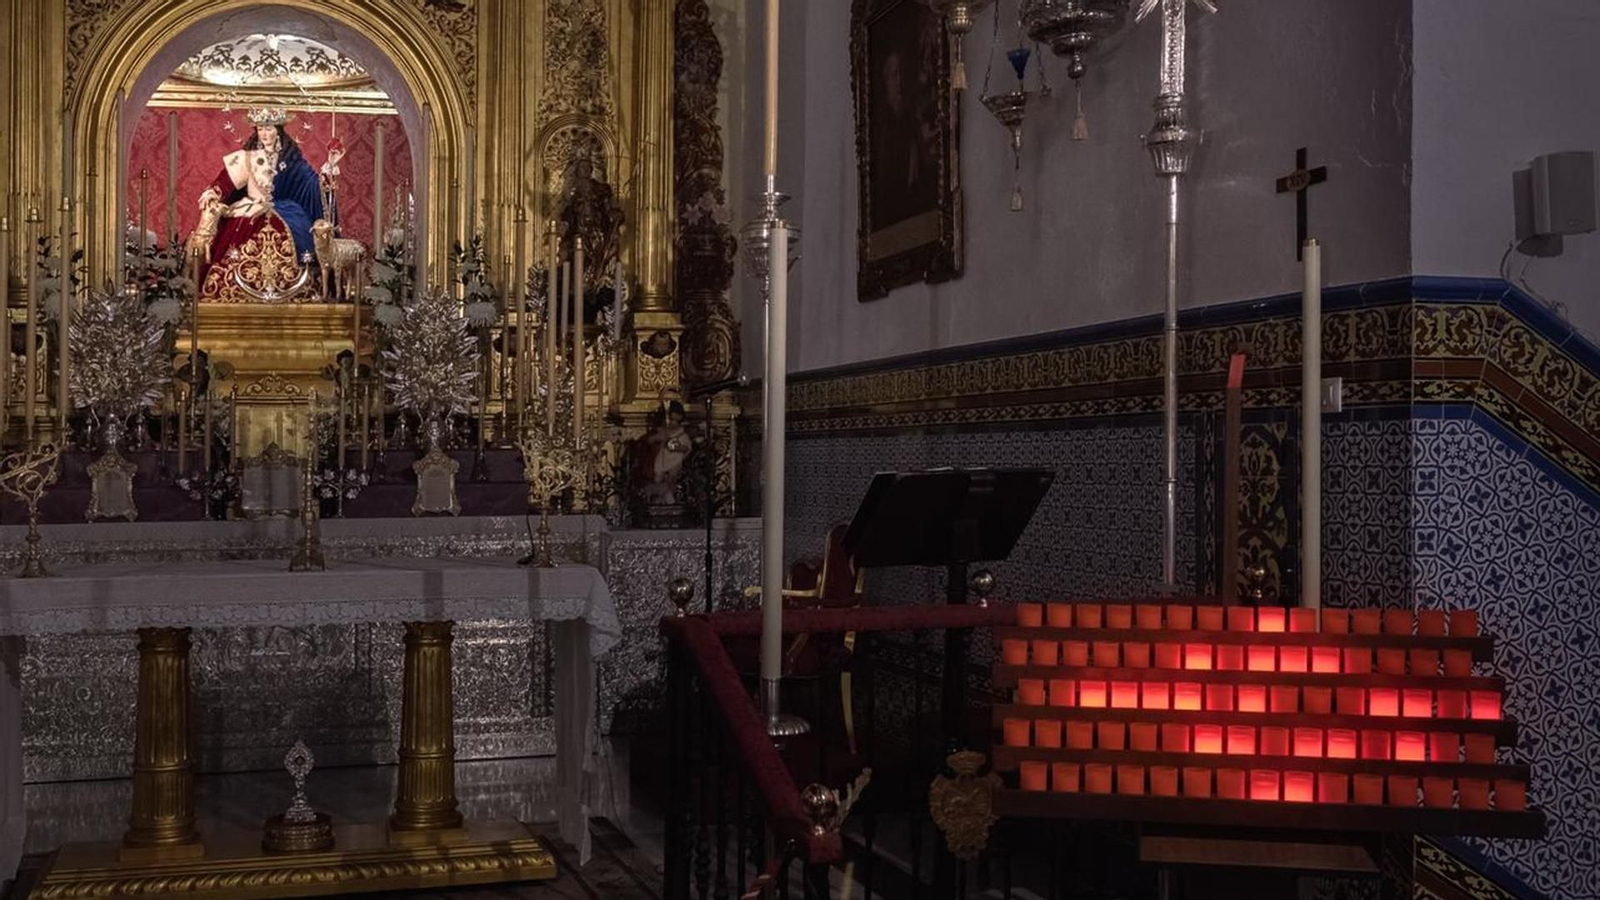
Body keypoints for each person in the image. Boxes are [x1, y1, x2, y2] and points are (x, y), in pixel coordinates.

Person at [195, 107, 325, 301]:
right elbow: (224, 182)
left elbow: (310, 181)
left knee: (298, 232)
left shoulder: (289, 159)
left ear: (278, 131)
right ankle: (235, 286)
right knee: (238, 236)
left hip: (285, 211)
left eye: (269, 129)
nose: (265, 134)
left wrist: (328, 172)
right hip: (251, 208)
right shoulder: (246, 157)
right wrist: (212, 193)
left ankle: (292, 286)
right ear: (256, 130)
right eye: (261, 129)